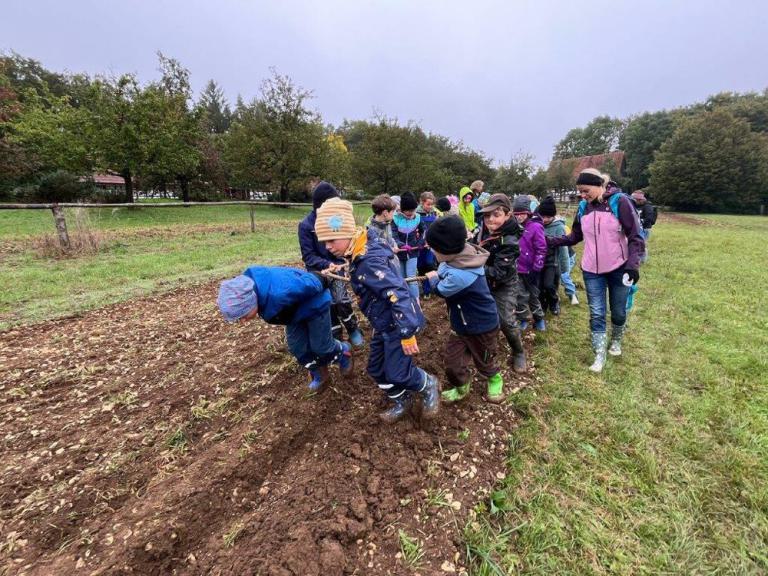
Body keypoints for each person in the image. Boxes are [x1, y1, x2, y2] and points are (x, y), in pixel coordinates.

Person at [314, 198, 440, 423]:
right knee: (376, 369)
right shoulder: (362, 247)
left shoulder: (368, 262)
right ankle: (403, 399)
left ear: (347, 232)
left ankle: (428, 384)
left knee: (398, 372)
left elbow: (398, 292)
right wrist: (346, 266)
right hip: (383, 322)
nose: (327, 247)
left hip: (398, 323)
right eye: (324, 242)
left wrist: (407, 333)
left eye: (331, 240)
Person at [548, 168, 645, 372]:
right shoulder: (583, 207)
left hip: (619, 267)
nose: (582, 195)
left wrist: (633, 266)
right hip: (591, 269)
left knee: (618, 311)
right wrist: (551, 241)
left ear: (599, 185)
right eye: (580, 191)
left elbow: (636, 236)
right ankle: (599, 354)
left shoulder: (620, 202)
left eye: (586, 191)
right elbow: (575, 236)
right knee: (597, 312)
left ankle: (616, 339)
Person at [217, 268, 352, 392]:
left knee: (321, 347)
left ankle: (343, 352)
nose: (243, 321)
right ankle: (320, 373)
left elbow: (307, 284)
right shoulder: (253, 291)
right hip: (293, 314)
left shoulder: (280, 292)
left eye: (243, 316)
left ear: (250, 302)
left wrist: (320, 278)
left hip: (315, 306)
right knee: (298, 348)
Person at [424, 216, 505, 403]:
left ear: (447, 251)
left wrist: (433, 279)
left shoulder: (461, 276)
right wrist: (439, 272)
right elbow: (444, 267)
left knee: (484, 359)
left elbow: (441, 290)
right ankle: (462, 386)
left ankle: (494, 378)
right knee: (453, 363)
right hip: (461, 324)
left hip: (482, 326)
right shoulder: (461, 254)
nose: (431, 251)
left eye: (434, 248)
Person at [298, 181, 364, 347]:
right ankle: (336, 335)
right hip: (319, 272)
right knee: (328, 303)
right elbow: (308, 256)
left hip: (337, 267)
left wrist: (343, 261)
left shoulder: (337, 220)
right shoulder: (306, 226)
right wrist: (326, 264)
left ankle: (352, 328)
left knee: (341, 300)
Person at [473, 193, 527, 373]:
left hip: (504, 283)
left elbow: (499, 273)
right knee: (479, 315)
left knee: (505, 320)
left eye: (496, 215)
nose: (490, 219)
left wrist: (471, 268)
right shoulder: (482, 230)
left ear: (507, 215)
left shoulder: (509, 241)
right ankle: (482, 348)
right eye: (487, 215)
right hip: (483, 280)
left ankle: (518, 351)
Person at [512, 196, 547, 331]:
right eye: (516, 214)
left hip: (531, 269)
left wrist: (537, 267)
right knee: (520, 295)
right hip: (517, 268)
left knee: (533, 296)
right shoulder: (514, 227)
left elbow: (541, 248)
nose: (519, 216)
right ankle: (523, 318)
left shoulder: (536, 227)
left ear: (528, 213)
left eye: (522, 213)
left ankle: (539, 318)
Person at [536, 196, 569, 316]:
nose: (545, 220)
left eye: (548, 217)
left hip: (552, 263)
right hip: (538, 262)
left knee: (549, 285)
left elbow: (563, 249)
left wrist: (565, 267)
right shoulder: (536, 225)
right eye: (542, 216)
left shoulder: (559, 228)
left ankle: (554, 302)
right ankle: (543, 305)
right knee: (539, 286)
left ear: (553, 216)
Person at [391, 192, 426, 301]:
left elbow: (424, 231)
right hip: (400, 252)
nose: (411, 213)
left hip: (413, 252)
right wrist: (401, 245)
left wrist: (420, 242)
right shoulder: (395, 219)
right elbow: (393, 235)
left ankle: (416, 301)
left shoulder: (418, 217)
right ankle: (405, 300)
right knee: (402, 277)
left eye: (413, 210)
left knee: (411, 278)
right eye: (409, 211)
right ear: (403, 210)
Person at [416, 191, 440, 297]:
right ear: (422, 203)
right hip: (420, 245)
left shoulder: (434, 213)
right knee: (421, 266)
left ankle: (432, 286)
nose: (430, 206)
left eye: (432, 204)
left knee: (430, 264)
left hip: (431, 244)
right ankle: (425, 289)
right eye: (428, 204)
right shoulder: (416, 214)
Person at [631, 190, 657, 263]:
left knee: (642, 244)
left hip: (645, 228)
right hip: (637, 228)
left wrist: (640, 221)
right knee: (636, 244)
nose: (632, 201)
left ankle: (642, 260)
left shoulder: (647, 206)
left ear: (639, 199)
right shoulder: (635, 205)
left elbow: (649, 218)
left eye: (634, 199)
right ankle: (636, 258)